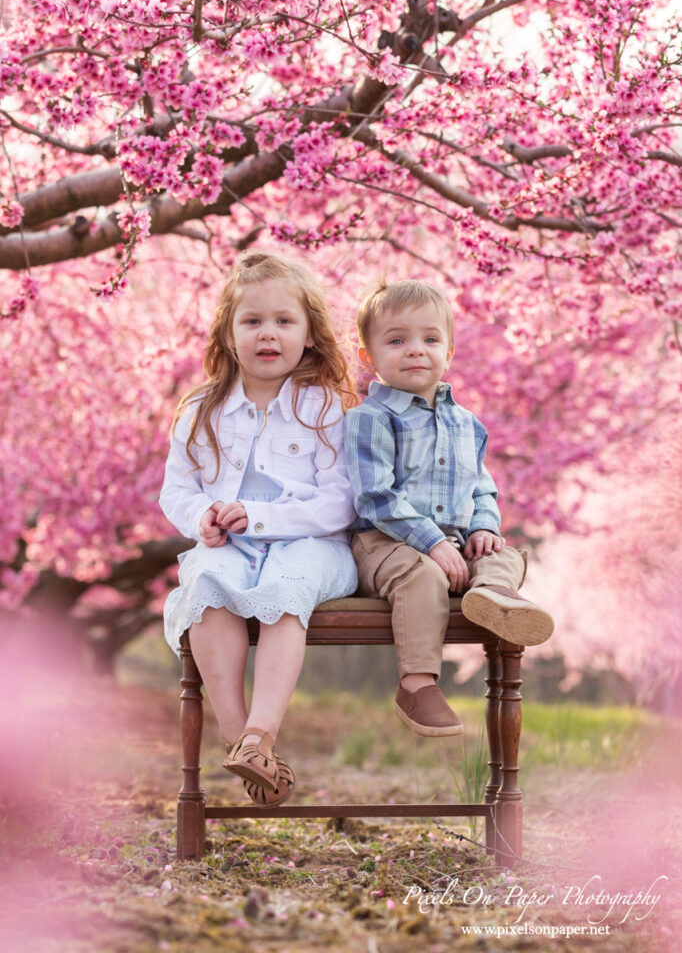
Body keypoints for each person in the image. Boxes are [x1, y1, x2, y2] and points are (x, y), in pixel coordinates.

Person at [160, 250, 358, 806]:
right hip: (233, 545)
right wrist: (202, 518)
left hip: (311, 545)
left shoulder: (325, 407)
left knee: (286, 589)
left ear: (310, 335)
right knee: (206, 585)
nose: (267, 333)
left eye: (283, 321)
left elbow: (340, 501)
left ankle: (261, 732)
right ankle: (237, 733)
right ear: (227, 335)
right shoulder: (202, 408)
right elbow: (177, 489)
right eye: (251, 321)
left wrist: (265, 516)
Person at [344, 280, 554, 738]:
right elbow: (375, 495)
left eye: (430, 339)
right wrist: (433, 541)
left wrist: (482, 528)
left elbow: (482, 487)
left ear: (450, 351)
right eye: (397, 340)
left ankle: (494, 596)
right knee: (420, 575)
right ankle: (417, 683)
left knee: (504, 554)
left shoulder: (466, 423)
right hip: (386, 544)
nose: (416, 351)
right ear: (368, 357)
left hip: (455, 546)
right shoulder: (370, 419)